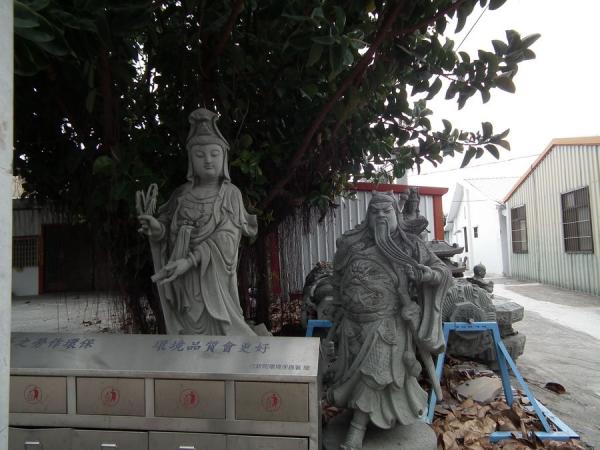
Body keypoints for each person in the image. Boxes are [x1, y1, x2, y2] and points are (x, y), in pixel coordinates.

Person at [325, 192, 453, 449]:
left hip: (388, 324)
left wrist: (426, 275)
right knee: (352, 377)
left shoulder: (410, 245)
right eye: (375, 211)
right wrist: (336, 306)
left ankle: (356, 430)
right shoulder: (352, 244)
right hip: (353, 324)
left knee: (375, 374)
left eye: (387, 211)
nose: (381, 216)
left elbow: (443, 271)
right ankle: (364, 416)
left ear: (397, 214)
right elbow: (337, 278)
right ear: (368, 216)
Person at [138, 108, 257, 335]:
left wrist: (190, 260)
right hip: (183, 280)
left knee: (218, 335)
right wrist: (157, 229)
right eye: (200, 155)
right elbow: (165, 228)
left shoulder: (230, 194)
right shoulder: (181, 194)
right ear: (191, 160)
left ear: (224, 158)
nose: (208, 160)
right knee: (189, 334)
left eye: (214, 154)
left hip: (212, 280)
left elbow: (228, 238)